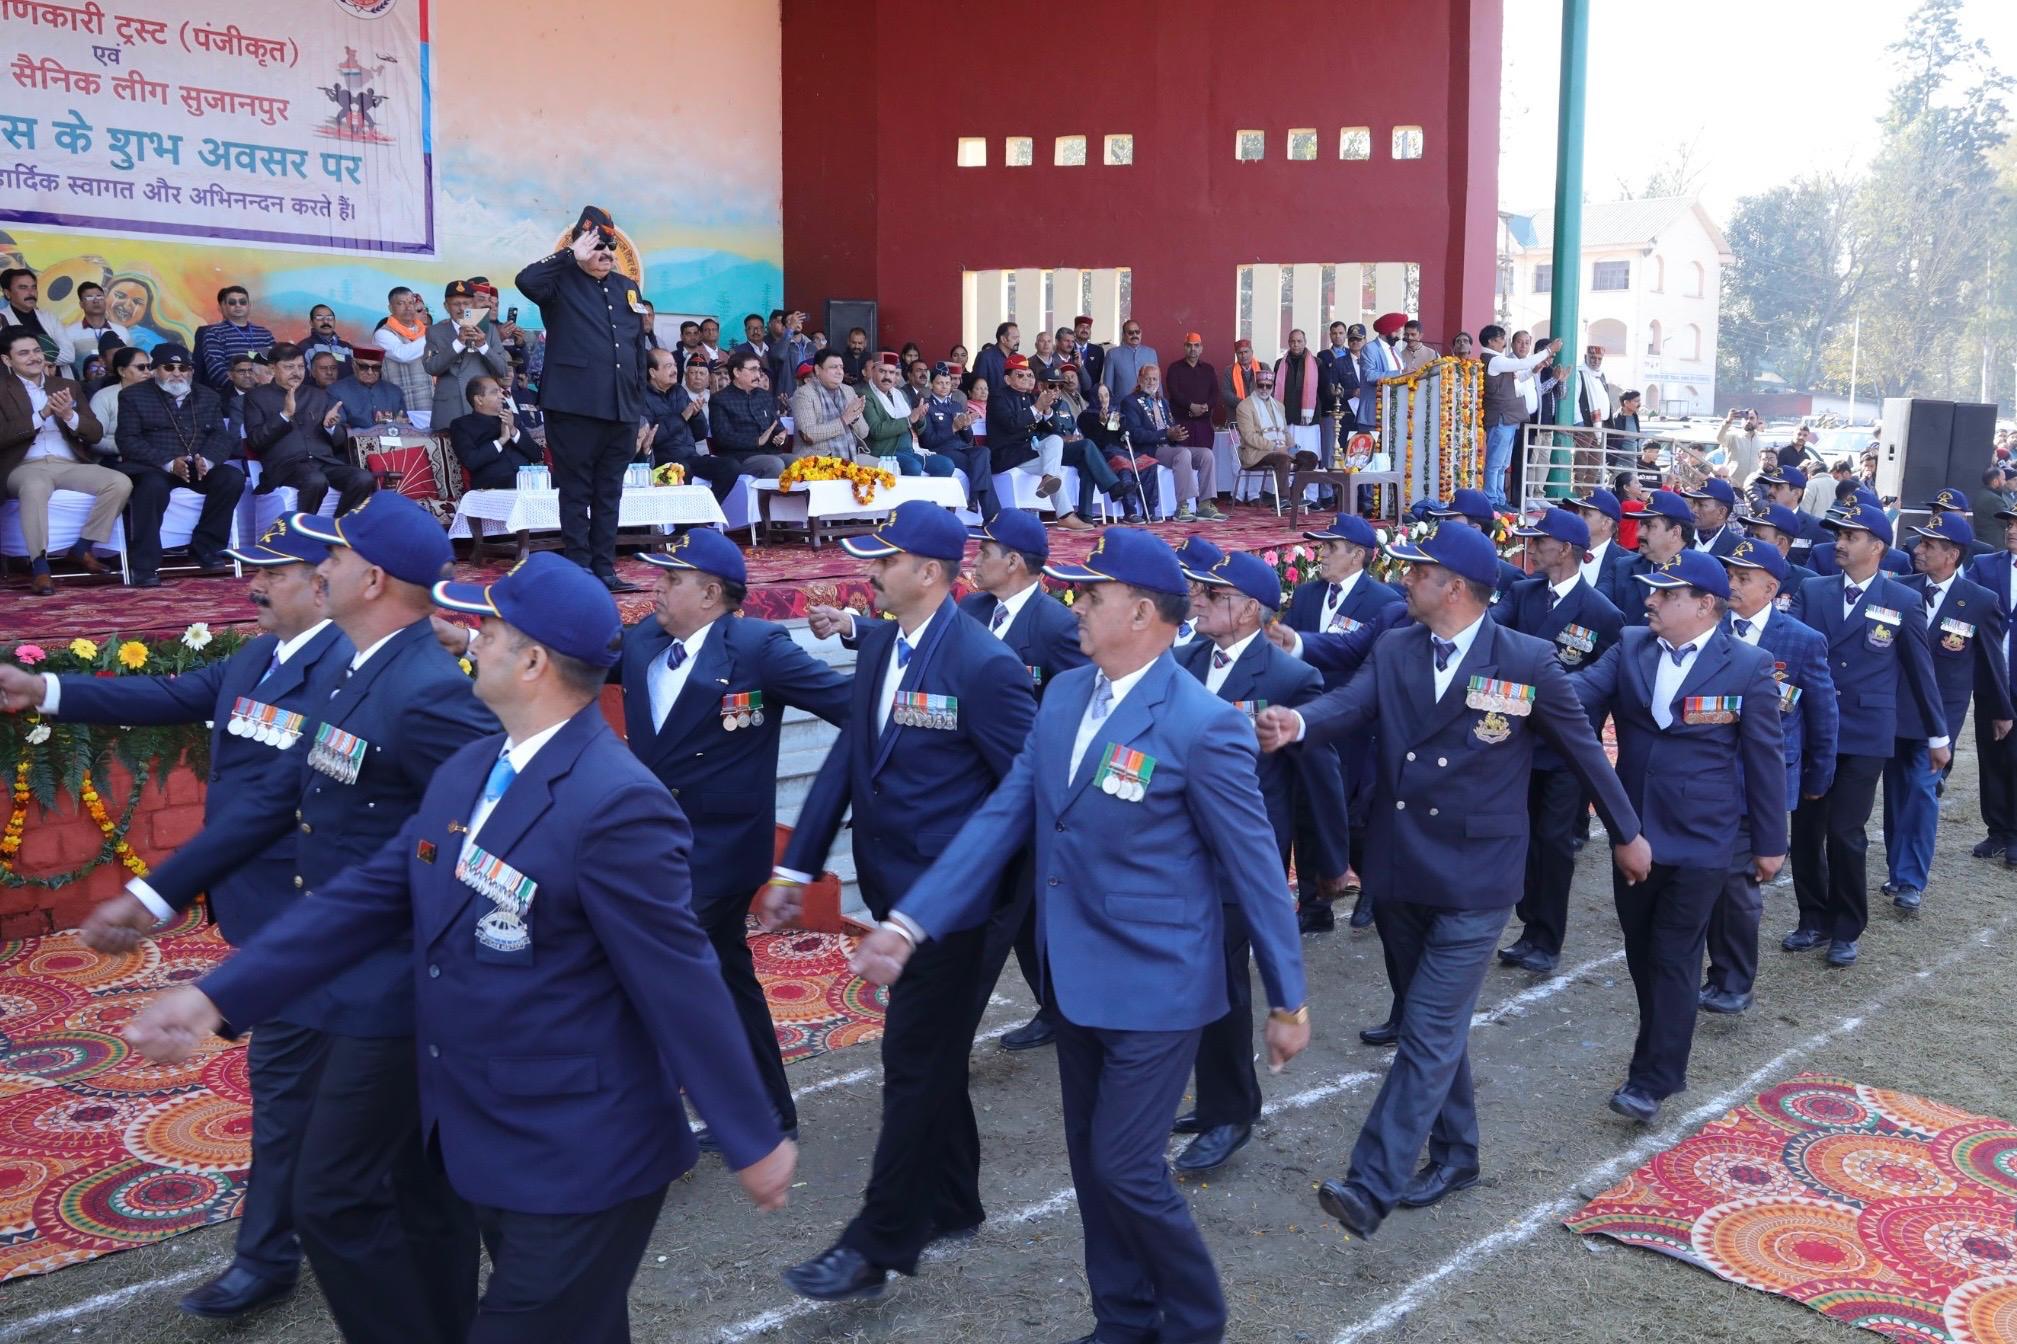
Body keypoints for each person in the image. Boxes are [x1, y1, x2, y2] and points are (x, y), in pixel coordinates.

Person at [127, 553, 797, 1340]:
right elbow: (368, 898)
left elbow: (680, 981)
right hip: (483, 1129)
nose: (469, 639)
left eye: (490, 630)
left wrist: (750, 1134)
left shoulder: (617, 804)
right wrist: (217, 996)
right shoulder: (470, 769)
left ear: (533, 662)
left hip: (581, 1152)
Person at [843, 526, 1309, 1344]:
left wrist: (1288, 999)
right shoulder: (1063, 695)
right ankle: (1121, 1318)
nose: (1075, 608)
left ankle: (1195, 1321)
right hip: (1074, 974)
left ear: (1141, 612)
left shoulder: (1202, 724)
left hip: (1159, 984)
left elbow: (1256, 870)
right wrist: (911, 922)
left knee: (1125, 1166)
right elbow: (1001, 816)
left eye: (1090, 596)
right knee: (1095, 1169)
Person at [81, 494, 496, 1344]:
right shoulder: (361, 670)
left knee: (336, 1198)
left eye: (332, 558)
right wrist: (155, 895)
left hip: (395, 985)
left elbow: (480, 831)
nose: (319, 569)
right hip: (341, 970)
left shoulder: (420, 689)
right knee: (413, 1189)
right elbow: (279, 797)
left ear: (370, 579)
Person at [1253, 523, 1646, 1239]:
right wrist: (1297, 725)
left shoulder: (1524, 659)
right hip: (1401, 867)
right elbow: (1351, 705)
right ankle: (1457, 1153)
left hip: (1477, 875)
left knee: (1429, 1028)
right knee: (1433, 1025)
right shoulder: (1397, 645)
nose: (1404, 580)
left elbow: (1583, 750)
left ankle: (1371, 1183)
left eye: (1417, 572)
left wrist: (1627, 832)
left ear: (1454, 587)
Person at [2, 516, 349, 1317]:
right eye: (252, 570)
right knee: (328, 1092)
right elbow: (170, 695)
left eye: (273, 573)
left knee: (292, 1091)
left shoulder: (346, 670)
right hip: (263, 913)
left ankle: (268, 1257)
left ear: (323, 581)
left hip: (313, 919)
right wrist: (43, 690)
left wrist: (159, 892)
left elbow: (287, 802)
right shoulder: (260, 655)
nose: (254, 587)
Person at [760, 503, 1035, 1303]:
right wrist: (795, 870)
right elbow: (848, 760)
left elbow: (1024, 793)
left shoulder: (984, 665)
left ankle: (873, 1244)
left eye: (883, 560)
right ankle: (953, 1200)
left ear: (928, 572)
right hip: (894, 894)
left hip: (954, 910)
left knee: (912, 1065)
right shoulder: (883, 644)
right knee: (931, 1057)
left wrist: (1001, 900)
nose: (869, 572)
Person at [605, 529, 849, 1142]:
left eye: (672, 579)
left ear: (711, 593)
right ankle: (767, 1115)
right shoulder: (643, 641)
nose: (656, 588)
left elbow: (848, 703)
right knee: (725, 980)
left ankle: (646, 1126)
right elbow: (576, 659)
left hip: (720, 853)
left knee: (655, 975)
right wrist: (471, 640)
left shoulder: (758, 648)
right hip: (655, 848)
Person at [1566, 550, 1786, 1123]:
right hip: (1633, 830)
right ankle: (1658, 1051)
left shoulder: (1749, 665)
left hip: (1704, 838)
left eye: (1666, 594)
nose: (1651, 601)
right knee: (1642, 951)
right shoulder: (1631, 645)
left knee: (1673, 954)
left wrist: (1770, 841)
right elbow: (1575, 693)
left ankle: (1653, 1078)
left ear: (1705, 604)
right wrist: (1513, 681)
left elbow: (1765, 758)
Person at [1170, 550, 1344, 1175]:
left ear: (1248, 610)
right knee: (1192, 979)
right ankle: (1218, 1098)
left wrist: (1331, 862)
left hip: (1242, 859)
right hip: (1179, 851)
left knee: (1221, 982)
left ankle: (1231, 1112)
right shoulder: (1183, 662)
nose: (1197, 600)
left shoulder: (1290, 678)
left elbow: (1320, 776)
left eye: (1212, 594)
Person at [1783, 500, 1948, 967]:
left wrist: (1937, 734)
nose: (1839, 543)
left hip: (1865, 732)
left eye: (1850, 537)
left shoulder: (1903, 600)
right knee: (1807, 829)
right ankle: (1812, 918)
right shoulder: (1813, 590)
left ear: (1877, 547)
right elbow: (1792, 655)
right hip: (1814, 730)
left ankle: (1846, 926)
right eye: (1838, 535)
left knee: (1845, 831)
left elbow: (1920, 672)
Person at [958, 510, 1087, 1055]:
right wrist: (851, 628)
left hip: (1033, 793)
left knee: (997, 914)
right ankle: (1059, 1007)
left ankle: (950, 1031)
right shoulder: (973, 610)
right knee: (1028, 910)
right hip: (978, 785)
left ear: (1013, 562)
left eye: (985, 552)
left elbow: (1082, 701)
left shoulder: (1054, 625)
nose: (975, 560)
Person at [1703, 539, 1836, 1014]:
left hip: (1762, 783)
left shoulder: (1800, 639)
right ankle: (1719, 973)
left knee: (1737, 885)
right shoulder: (1709, 626)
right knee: (1709, 879)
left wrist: (1819, 777)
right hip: (1709, 774)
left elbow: (1822, 714)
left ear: (1772, 588)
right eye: (1730, 576)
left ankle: (1734, 982)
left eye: (1744, 578)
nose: (1733, 586)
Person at [1498, 507, 1626, 974]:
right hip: (1514, 738)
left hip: (1565, 748)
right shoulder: (1522, 592)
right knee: (1522, 838)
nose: (1531, 548)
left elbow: (1605, 683)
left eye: (1540, 541)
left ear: (1566, 549)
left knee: (1553, 843)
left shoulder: (1602, 613)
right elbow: (1492, 635)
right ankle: (1529, 926)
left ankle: (1547, 938)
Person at [514, 206, 651, 591]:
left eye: (610, 247)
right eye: (596, 246)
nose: (606, 253)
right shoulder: (559, 282)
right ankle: (580, 570)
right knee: (576, 491)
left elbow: (635, 348)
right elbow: (525, 280)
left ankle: (605, 569)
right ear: (579, 247)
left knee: (610, 492)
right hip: (574, 406)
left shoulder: (627, 287)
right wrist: (568, 256)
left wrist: (637, 404)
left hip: (621, 408)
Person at [1881, 511, 2013, 910]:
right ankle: (1897, 870)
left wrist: (2000, 711)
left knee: (1922, 789)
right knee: (1896, 792)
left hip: (1940, 715)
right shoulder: (1898, 589)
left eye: (1928, 545)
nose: (1917, 550)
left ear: (1952, 554)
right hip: (1894, 707)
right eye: (1920, 543)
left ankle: (1910, 881)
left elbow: (1991, 662)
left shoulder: (1980, 601)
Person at [1280, 513, 1405, 932]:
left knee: (1356, 818)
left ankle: (1373, 888)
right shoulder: (1306, 595)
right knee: (1306, 812)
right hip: (1308, 723)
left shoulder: (1383, 601)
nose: (1322, 554)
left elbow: (1364, 660)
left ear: (1357, 555)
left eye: (1331, 547)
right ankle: (1314, 906)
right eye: (1321, 546)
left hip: (1356, 730)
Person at [1, 326, 123, 594]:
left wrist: (69, 416)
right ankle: (40, 567)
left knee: (119, 482)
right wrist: (41, 415)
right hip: (23, 467)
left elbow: (95, 432)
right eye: (24, 353)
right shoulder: (2, 389)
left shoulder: (67, 386)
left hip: (67, 464)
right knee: (34, 487)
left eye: (36, 351)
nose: (34, 357)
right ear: (7, 360)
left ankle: (82, 548)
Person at [113, 340, 245, 585]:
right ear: (155, 370)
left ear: (191, 371)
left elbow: (221, 435)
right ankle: (144, 565)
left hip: (197, 466)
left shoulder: (208, 396)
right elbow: (127, 440)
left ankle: (206, 547)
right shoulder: (132, 396)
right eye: (169, 367)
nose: (177, 373)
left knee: (232, 477)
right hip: (154, 468)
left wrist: (207, 460)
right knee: (151, 487)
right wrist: (168, 462)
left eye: (183, 368)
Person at [243, 342, 376, 517]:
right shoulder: (256, 397)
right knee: (315, 480)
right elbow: (255, 441)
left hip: (324, 462)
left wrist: (331, 427)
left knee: (364, 478)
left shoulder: (317, 395)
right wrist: (284, 415)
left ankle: (338, 526)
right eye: (289, 367)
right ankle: (303, 529)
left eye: (300, 367)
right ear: (273, 368)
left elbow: (339, 442)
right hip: (287, 466)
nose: (296, 372)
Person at [1120, 362, 1221, 522]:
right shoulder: (1130, 402)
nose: (1151, 382)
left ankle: (1205, 505)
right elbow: (1135, 434)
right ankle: (1182, 507)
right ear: (1139, 379)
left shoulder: (1163, 402)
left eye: (1155, 379)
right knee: (1182, 453)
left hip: (1170, 446)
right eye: (1147, 378)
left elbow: (1170, 426)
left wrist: (1176, 434)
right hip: (1149, 450)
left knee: (1206, 454)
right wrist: (1165, 435)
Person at [638, 349, 741, 500]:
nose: (674, 370)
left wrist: (696, 415)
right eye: (668, 366)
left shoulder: (678, 391)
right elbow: (651, 437)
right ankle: (685, 515)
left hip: (690, 456)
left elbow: (700, 434)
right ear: (653, 372)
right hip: (660, 460)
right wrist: (682, 418)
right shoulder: (642, 397)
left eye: (675, 365)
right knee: (681, 469)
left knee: (731, 466)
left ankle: (707, 508)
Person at [1480, 325, 1561, 510]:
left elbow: (1518, 378)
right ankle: (1491, 500)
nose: (1504, 342)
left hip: (1508, 419)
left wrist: (1534, 370)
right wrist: (1549, 350)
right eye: (1501, 338)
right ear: (1491, 341)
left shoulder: (1497, 360)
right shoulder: (1495, 360)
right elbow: (1522, 363)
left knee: (1502, 464)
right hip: (1501, 418)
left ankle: (1499, 499)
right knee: (1495, 463)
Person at [423, 279, 511, 432]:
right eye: (456, 304)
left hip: (482, 406)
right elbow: (431, 367)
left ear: (473, 304)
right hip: (450, 407)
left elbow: (502, 370)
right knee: (448, 446)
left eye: (466, 303)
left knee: (485, 446)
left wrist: (483, 346)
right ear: (446, 306)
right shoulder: (435, 331)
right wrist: (458, 343)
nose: (462, 308)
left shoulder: (489, 330)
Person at [987, 354, 1068, 501]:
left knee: (1055, 441)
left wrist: (1047, 409)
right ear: (1007, 379)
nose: (1026, 378)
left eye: (1029, 375)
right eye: (1020, 375)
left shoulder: (1030, 398)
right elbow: (1012, 425)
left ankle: (1048, 481)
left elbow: (1054, 430)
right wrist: (1037, 407)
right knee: (1054, 470)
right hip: (1007, 456)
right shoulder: (998, 397)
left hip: (1027, 453)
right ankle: (1065, 512)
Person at [1235, 365, 1319, 507]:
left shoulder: (1279, 406)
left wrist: (1292, 448)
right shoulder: (1245, 406)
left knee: (1311, 457)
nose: (1264, 389)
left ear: (1273, 387)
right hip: (1257, 453)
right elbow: (1249, 437)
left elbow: (1285, 432)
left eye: (1268, 386)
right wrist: (1276, 448)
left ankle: (1295, 495)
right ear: (1256, 385)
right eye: (1261, 385)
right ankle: (1283, 499)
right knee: (1283, 459)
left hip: (1281, 450)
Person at [862, 352, 955, 479]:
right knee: (913, 467)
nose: (887, 376)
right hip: (886, 452)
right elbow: (876, 431)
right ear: (873, 372)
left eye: (892, 372)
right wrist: (910, 419)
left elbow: (918, 429)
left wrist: (920, 418)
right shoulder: (865, 395)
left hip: (911, 450)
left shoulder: (900, 394)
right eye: (882, 371)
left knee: (946, 465)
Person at [918, 361, 993, 516]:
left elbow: (968, 438)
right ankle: (987, 511)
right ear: (931, 384)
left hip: (962, 447)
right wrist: (953, 428)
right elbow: (927, 441)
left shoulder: (956, 405)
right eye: (940, 383)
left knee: (983, 452)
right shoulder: (927, 406)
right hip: (942, 450)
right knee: (979, 466)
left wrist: (965, 426)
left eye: (947, 383)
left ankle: (974, 498)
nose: (945, 386)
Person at [1427, 487, 1524, 604]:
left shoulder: (1510, 578)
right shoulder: (1439, 571)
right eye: (1444, 521)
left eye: (1452, 523)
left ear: (1476, 529)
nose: (1445, 528)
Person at [448, 375, 544, 490]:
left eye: (500, 391)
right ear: (479, 400)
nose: (502, 396)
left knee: (560, 481)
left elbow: (536, 455)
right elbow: (471, 461)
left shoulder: (512, 418)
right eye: (495, 392)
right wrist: (501, 440)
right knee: (518, 482)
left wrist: (513, 431)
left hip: (526, 481)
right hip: (492, 486)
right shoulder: (462, 425)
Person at [790, 348, 870, 465]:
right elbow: (808, 435)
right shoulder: (804, 394)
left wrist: (855, 417)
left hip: (850, 456)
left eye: (841, 367)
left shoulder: (848, 391)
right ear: (818, 370)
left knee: (885, 467)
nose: (840, 372)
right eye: (833, 367)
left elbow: (864, 433)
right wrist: (844, 420)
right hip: (815, 460)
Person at [1735, 503, 1822, 611]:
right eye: (1751, 535)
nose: (1752, 542)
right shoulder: (1732, 573)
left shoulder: (1807, 583)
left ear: (1781, 542)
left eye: (1759, 538)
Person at [1569, 487, 1642, 612]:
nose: (1577, 517)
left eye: (1585, 514)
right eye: (1578, 512)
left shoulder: (1629, 564)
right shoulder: (1563, 551)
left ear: (1606, 523)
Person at [192, 285, 274, 394]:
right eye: (232, 302)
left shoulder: (264, 333)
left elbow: (275, 364)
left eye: (242, 302)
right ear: (224, 306)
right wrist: (240, 390)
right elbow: (217, 370)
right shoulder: (214, 333)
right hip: (233, 396)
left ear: (249, 306)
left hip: (265, 393)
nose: (238, 305)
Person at [370, 288, 434, 427]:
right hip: (403, 408)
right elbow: (403, 354)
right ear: (390, 308)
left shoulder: (423, 331)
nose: (408, 307)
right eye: (401, 303)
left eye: (411, 303)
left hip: (431, 404)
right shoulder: (383, 334)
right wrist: (431, 335)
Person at [327, 346, 407, 430]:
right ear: (354, 365)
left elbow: (404, 423)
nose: (370, 372)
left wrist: (399, 423)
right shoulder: (337, 391)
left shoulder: (394, 392)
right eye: (364, 367)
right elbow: (339, 427)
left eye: (376, 367)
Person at [1165, 331, 1218, 456]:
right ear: (1185, 347)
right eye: (1189, 345)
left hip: (1204, 424)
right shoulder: (1174, 368)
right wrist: (1191, 406)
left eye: (1196, 345)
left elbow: (1215, 393)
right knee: (1183, 458)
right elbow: (1173, 392)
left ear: (1201, 348)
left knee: (1204, 458)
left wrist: (1206, 406)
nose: (1193, 349)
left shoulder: (1208, 369)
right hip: (1182, 424)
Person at [63, 280, 131, 377]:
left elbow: (130, 360)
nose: (96, 300)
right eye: (89, 297)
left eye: (99, 296)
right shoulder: (69, 332)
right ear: (81, 304)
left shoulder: (121, 331)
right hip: (83, 385)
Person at [1099, 318, 1159, 406]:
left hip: (1148, 406)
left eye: (1137, 332)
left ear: (1141, 333)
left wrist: (1160, 404)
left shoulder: (1151, 353)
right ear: (1123, 335)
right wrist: (1108, 408)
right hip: (1122, 406)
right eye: (1130, 333)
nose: (1135, 335)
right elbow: (1108, 387)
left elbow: (1157, 382)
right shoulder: (1112, 354)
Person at [1681, 477, 1745, 556]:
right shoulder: (1680, 536)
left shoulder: (1739, 548)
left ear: (1721, 512)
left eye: (1701, 505)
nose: (1694, 509)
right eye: (1693, 503)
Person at [1223, 336, 1268, 419]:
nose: (1243, 355)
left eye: (1246, 352)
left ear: (1252, 352)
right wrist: (1245, 404)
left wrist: (1257, 403)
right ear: (1236, 354)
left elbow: (1271, 389)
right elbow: (1226, 393)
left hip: (1260, 413)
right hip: (1237, 414)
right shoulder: (1229, 370)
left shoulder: (1263, 367)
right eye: (1240, 353)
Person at [1718, 408, 1764, 486]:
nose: (1748, 421)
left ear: (1757, 420)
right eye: (1746, 418)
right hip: (1733, 485)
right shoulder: (1733, 436)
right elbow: (1719, 438)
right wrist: (1728, 421)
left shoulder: (1761, 440)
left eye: (1752, 418)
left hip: (1753, 486)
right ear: (1741, 421)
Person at [973, 320, 1018, 395]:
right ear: (1003, 339)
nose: (1018, 341)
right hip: (992, 400)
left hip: (1015, 401)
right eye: (1014, 338)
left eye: (1018, 338)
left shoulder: (1018, 358)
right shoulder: (985, 356)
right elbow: (978, 385)